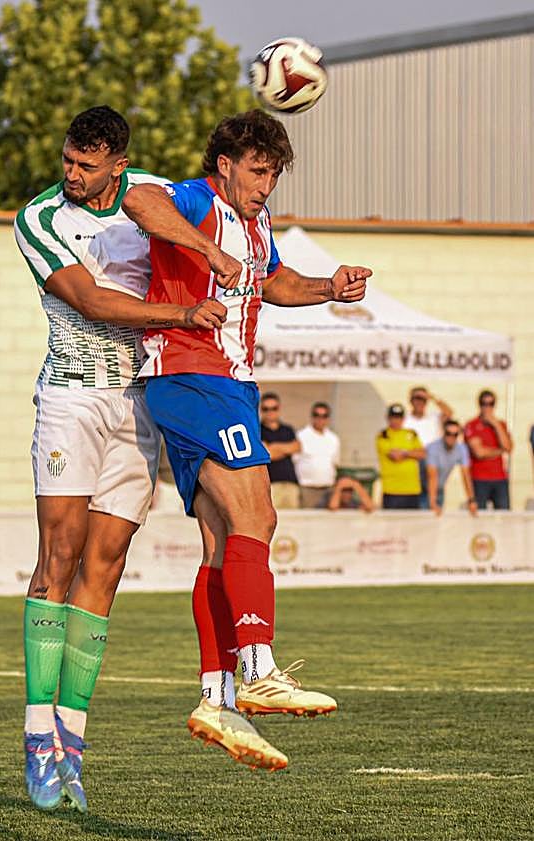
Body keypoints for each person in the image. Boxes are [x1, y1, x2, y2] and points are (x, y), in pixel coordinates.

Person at [122, 109, 371, 770]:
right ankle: (258, 666)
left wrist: (328, 288)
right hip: (191, 371)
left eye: (274, 174)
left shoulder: (256, 222)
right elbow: (138, 198)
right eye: (258, 170)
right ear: (225, 163)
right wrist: (207, 250)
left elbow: (274, 281)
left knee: (220, 541)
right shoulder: (199, 199)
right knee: (257, 515)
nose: (266, 184)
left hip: (225, 382)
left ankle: (216, 695)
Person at [14, 106, 226, 812]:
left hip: (139, 403)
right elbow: (93, 301)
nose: (71, 174)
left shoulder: (152, 198)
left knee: (105, 565)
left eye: (85, 165)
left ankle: (71, 739)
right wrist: (180, 316)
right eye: (67, 160)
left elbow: (205, 244)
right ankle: (36, 734)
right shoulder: (39, 218)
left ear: (116, 164)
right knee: (60, 557)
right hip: (71, 401)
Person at [404, 387, 453, 509]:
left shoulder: (433, 417)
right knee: (419, 505)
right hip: (414, 464)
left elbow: (449, 412)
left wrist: (432, 397)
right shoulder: (406, 420)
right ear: (411, 400)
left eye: (423, 399)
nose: (420, 402)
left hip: (433, 465)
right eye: (417, 398)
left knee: (435, 504)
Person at [464, 390, 512, 510]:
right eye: (484, 403)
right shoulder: (472, 425)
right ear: (479, 404)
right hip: (479, 478)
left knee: (504, 515)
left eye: (490, 404)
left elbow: (508, 447)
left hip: (500, 478)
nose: (487, 407)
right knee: (480, 516)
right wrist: (499, 450)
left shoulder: (501, 424)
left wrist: (495, 424)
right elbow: (479, 453)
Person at [375, 403, 425, 509]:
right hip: (392, 490)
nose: (396, 421)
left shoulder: (411, 433)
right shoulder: (383, 435)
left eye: (399, 417)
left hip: (412, 489)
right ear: (388, 418)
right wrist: (411, 453)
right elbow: (395, 456)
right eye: (393, 417)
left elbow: (422, 454)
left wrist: (404, 452)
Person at [294, 401, 340, 508]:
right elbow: (295, 460)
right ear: (312, 416)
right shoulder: (301, 436)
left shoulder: (334, 439)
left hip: (328, 489)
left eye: (324, 416)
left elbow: (335, 463)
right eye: (317, 415)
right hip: (307, 489)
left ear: (328, 418)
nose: (320, 419)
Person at [426, 420, 477, 516]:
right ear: (443, 433)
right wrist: (432, 502)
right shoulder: (433, 448)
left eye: (455, 434)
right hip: (425, 490)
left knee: (436, 524)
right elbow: (432, 476)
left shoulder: (461, 448)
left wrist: (471, 500)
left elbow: (466, 475)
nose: (451, 437)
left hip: (440, 489)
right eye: (448, 433)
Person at [259, 391, 300, 508]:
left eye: (274, 408)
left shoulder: (287, 429)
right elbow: (268, 454)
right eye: (266, 409)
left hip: (291, 483)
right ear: (261, 410)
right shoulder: (257, 430)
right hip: (270, 484)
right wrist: (286, 448)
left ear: (279, 408)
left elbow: (297, 447)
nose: (270, 412)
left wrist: (274, 447)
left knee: (295, 522)